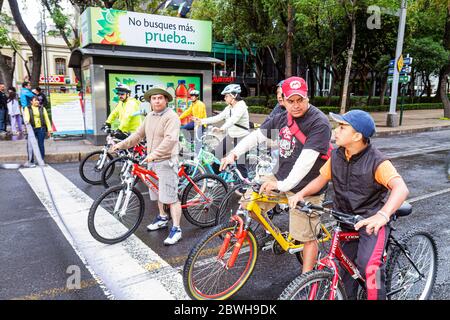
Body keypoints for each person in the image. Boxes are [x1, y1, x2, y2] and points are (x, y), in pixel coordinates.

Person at [289, 109, 409, 300]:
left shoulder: (377, 161)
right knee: (344, 271)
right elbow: (321, 179)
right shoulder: (337, 155)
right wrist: (301, 194)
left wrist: (382, 215)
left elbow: (401, 188)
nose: (335, 131)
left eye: (342, 127)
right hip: (345, 219)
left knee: (370, 268)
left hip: (370, 223)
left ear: (357, 136)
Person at [220, 76, 332, 274]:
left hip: (306, 186)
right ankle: (278, 234)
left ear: (307, 98)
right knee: (249, 203)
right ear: (284, 100)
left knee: (307, 237)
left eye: (300, 100)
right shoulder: (281, 116)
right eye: (291, 100)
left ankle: (307, 279)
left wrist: (282, 185)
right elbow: (257, 136)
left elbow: (306, 162)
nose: (296, 105)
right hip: (280, 174)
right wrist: (233, 153)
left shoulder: (319, 122)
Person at [111, 87, 183, 245]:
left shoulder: (171, 117)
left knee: (171, 197)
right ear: (150, 101)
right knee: (157, 193)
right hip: (152, 161)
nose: (157, 101)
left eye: (160, 98)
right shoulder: (149, 116)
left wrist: (154, 154)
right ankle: (163, 218)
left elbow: (170, 140)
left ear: (165, 100)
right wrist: (121, 145)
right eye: (154, 98)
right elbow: (137, 135)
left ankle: (177, 229)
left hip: (166, 161)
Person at [194, 83, 250, 177]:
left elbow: (233, 120)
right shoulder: (229, 108)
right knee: (216, 154)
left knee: (240, 163)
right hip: (231, 136)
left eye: (226, 96)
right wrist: (201, 121)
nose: (224, 98)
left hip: (242, 138)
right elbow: (218, 117)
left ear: (234, 96)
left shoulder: (241, 106)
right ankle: (214, 177)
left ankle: (243, 187)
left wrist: (221, 128)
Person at [23, 96, 52, 165]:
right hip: (31, 129)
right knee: (30, 145)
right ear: (31, 102)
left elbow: (47, 119)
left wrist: (49, 129)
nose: (37, 102)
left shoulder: (42, 108)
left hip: (41, 129)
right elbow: (26, 116)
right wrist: (26, 121)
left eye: (38, 100)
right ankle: (31, 160)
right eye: (35, 100)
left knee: (41, 144)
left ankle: (41, 160)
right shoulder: (27, 108)